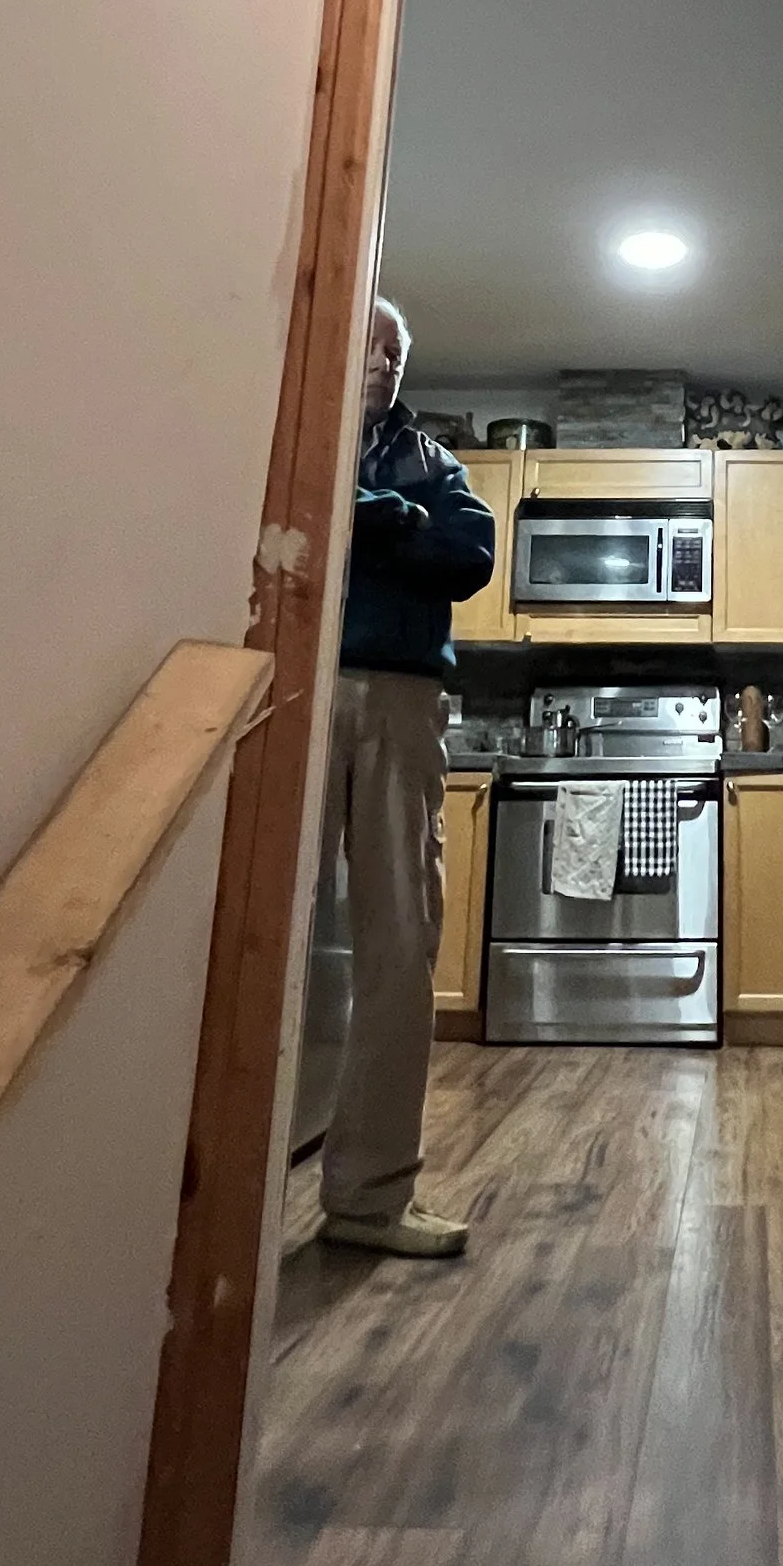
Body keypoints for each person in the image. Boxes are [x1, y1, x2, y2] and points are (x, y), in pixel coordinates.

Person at [313, 295, 495, 1257]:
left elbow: (469, 554)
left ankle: (370, 1198)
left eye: (394, 351)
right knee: (265, 942)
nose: (380, 362)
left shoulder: (439, 463)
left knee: (399, 942)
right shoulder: (288, 429)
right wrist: (387, 518)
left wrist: (372, 518)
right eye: (367, 344)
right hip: (296, 693)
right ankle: (221, 1194)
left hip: (400, 703)